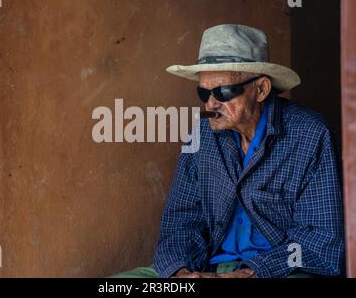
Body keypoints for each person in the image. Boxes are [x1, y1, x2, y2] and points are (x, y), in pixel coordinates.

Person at [113, 24, 344, 278]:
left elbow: (320, 242)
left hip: (279, 271)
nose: (211, 103)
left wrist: (251, 273)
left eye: (224, 91)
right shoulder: (202, 134)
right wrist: (182, 274)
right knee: (120, 283)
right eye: (204, 92)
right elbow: (180, 223)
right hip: (208, 266)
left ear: (261, 89)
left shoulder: (310, 134)